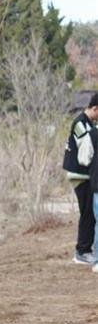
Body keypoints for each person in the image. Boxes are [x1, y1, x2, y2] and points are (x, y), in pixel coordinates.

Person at [63, 92, 98, 265]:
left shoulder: (89, 122)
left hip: (86, 175)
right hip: (79, 175)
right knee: (87, 213)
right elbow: (87, 149)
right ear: (95, 108)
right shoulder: (80, 123)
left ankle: (86, 248)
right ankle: (82, 251)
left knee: (90, 213)